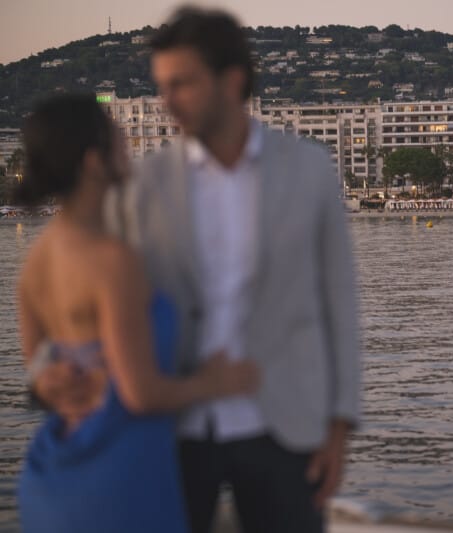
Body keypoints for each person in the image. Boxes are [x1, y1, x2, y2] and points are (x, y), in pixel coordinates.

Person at [36, 6, 361, 533]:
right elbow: (80, 282)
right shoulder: (143, 184)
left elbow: (339, 303)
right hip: (171, 430)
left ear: (232, 81)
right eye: (161, 86)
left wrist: (339, 426)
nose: (166, 102)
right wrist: (42, 369)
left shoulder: (309, 169)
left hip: (286, 422)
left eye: (181, 84)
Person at [16, 94, 260, 533]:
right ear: (94, 161)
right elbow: (140, 394)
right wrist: (217, 382)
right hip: (120, 475)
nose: (126, 139)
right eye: (115, 132)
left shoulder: (38, 258)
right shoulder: (112, 260)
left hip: (54, 470)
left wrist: (50, 379)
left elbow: (39, 373)